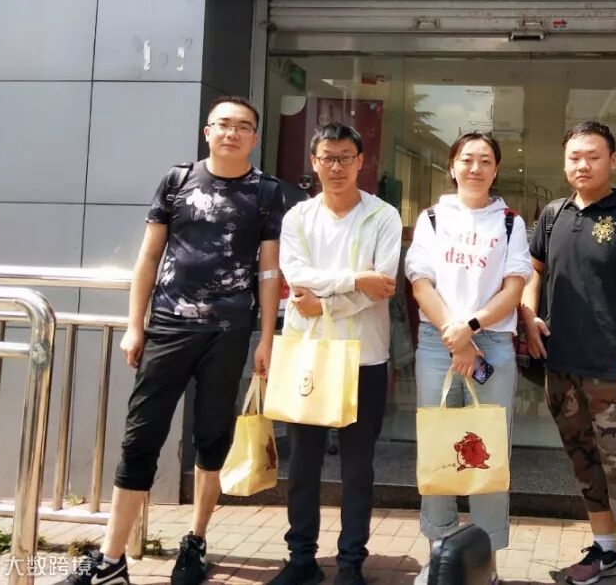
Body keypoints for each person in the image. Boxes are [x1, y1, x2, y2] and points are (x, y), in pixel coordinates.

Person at [63, 96, 286, 585]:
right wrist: (135, 325)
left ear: (254, 137)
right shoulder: (177, 181)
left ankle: (196, 539)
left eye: (242, 126)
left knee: (213, 436)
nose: (231, 133)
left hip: (229, 332)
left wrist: (266, 338)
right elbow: (148, 257)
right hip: (167, 326)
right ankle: (111, 559)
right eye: (223, 124)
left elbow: (269, 270)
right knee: (140, 437)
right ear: (208, 131)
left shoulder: (267, 192)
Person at [521, 121, 616, 585]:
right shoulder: (552, 214)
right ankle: (606, 550)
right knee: (585, 463)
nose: (582, 165)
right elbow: (532, 270)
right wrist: (528, 314)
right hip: (562, 368)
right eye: (574, 157)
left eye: (593, 156)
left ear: (613, 161)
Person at [270, 122, 403, 585]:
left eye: (346, 157)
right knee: (302, 465)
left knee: (357, 468)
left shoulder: (383, 216)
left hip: (365, 357)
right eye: (328, 157)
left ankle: (350, 563)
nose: (337, 166)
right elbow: (296, 276)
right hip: (309, 356)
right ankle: (301, 558)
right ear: (314, 162)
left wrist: (324, 300)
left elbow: (382, 285)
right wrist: (353, 280)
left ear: (361, 161)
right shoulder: (298, 218)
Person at [404, 132, 533, 585]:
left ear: (496, 169)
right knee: (438, 447)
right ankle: (439, 554)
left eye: (485, 161)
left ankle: (485, 561)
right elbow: (420, 283)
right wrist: (455, 336)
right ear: (452, 166)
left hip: (491, 343)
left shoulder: (511, 223)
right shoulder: (432, 218)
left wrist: (470, 328)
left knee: (488, 452)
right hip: (437, 342)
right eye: (467, 159)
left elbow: (514, 289)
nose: (475, 168)